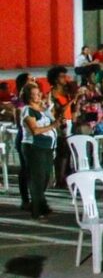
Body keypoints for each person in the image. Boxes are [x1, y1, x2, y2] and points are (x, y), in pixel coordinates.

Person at [19, 83, 58, 220]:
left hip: (47, 147)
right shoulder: (27, 110)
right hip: (35, 147)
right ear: (29, 96)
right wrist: (52, 126)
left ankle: (41, 204)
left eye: (38, 93)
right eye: (35, 94)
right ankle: (38, 209)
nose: (38, 96)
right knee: (37, 179)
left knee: (45, 177)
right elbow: (34, 130)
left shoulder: (42, 109)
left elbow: (53, 118)